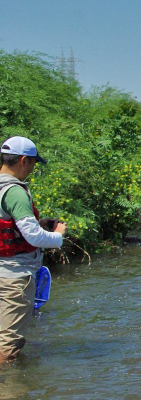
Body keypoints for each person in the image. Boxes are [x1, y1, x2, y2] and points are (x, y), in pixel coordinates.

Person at [0, 136, 67, 363]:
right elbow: (33, 237)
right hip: (14, 276)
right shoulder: (15, 191)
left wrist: (39, 224)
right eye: (33, 163)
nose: (32, 169)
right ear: (23, 160)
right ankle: (13, 395)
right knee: (8, 346)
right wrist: (57, 236)